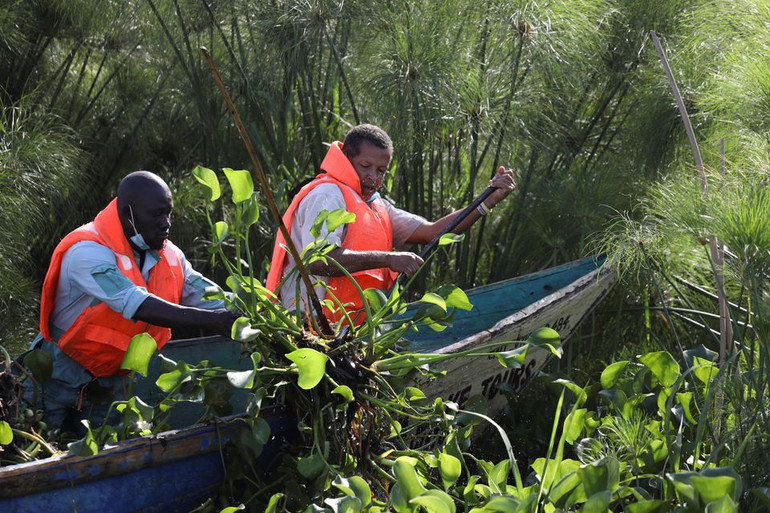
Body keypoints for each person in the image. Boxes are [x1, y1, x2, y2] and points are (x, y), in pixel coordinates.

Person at [24, 171, 239, 430]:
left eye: (168, 213)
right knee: (34, 446)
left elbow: (211, 296)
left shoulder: (171, 256)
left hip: (113, 383)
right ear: (128, 214)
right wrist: (212, 321)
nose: (166, 223)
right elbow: (133, 301)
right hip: (57, 372)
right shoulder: (88, 251)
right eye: (157, 214)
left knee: (103, 460)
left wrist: (259, 308)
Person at [266, 124, 516, 323]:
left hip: (349, 333)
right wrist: (388, 258)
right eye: (365, 166)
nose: (373, 177)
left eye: (381, 170)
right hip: (304, 326)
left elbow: (434, 232)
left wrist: (488, 200)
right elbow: (318, 261)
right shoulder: (327, 195)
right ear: (346, 158)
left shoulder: (377, 206)